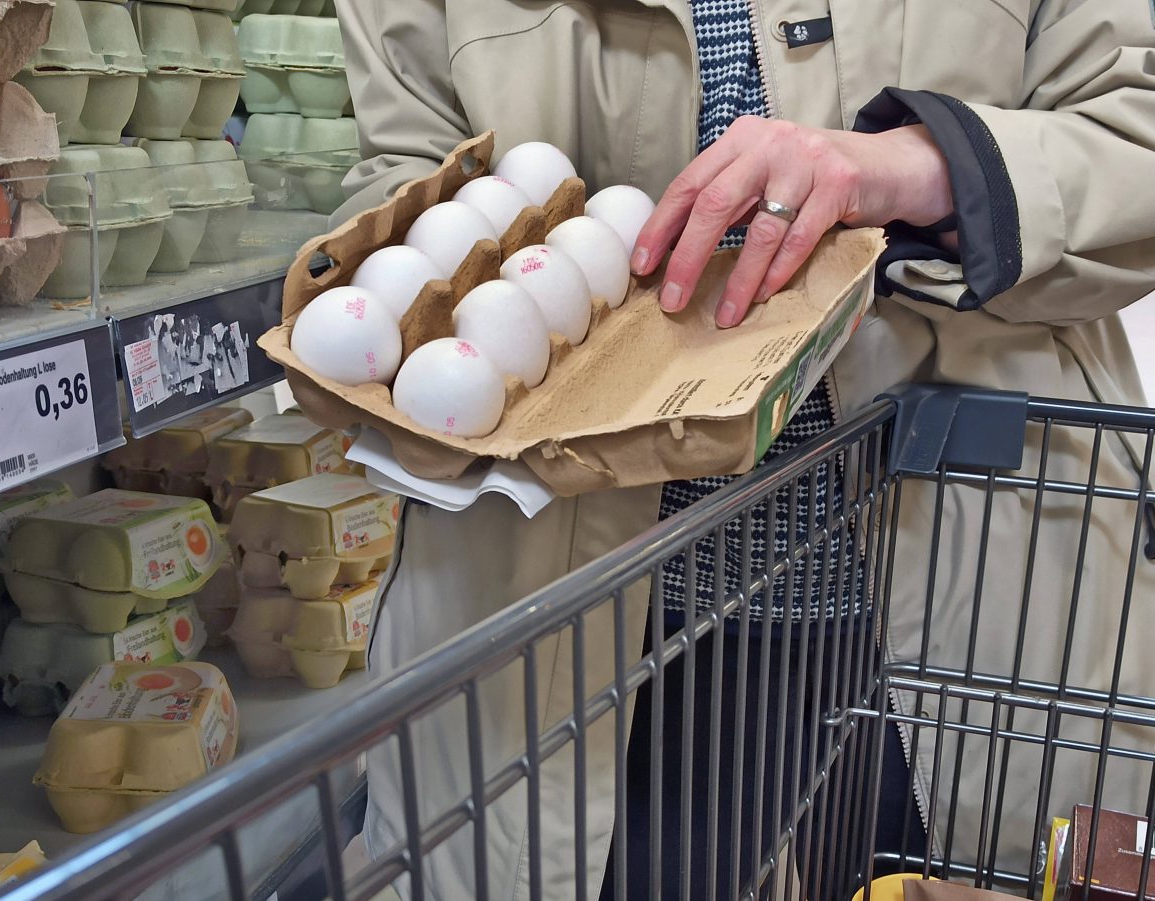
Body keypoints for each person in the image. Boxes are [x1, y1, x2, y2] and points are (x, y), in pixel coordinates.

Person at [331, 1, 1155, 899]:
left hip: (974, 598)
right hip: (578, 623)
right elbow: (404, 173)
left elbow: (1134, 131)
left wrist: (911, 163)